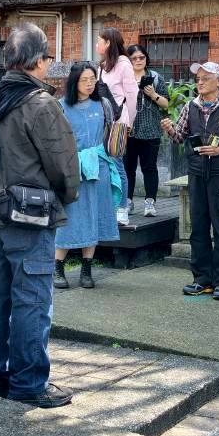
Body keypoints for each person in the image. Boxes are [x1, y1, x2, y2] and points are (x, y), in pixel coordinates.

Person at [0, 23, 80, 407]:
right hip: (29, 216)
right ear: (37, 61)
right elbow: (63, 166)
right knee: (32, 300)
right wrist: (66, 196)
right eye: (48, 58)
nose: (49, 65)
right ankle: (29, 383)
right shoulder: (40, 103)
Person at [160, 61, 219, 301]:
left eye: (205, 78)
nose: (199, 83)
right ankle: (202, 280)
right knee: (198, 227)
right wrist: (169, 129)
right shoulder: (190, 106)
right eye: (198, 79)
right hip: (197, 173)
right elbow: (180, 137)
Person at [53, 63, 121, 290]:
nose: (90, 84)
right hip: (71, 168)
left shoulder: (103, 104)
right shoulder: (60, 106)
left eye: (93, 79)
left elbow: (110, 133)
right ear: (74, 82)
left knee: (94, 215)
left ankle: (87, 269)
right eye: (85, 80)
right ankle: (57, 267)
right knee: (69, 217)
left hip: (98, 167)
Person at [96, 27, 137, 225]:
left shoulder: (123, 64)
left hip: (119, 121)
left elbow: (132, 95)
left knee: (117, 164)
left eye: (99, 41)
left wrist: (130, 122)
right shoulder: (101, 66)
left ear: (108, 43)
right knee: (103, 163)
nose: (97, 44)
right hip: (101, 120)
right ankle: (108, 207)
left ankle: (122, 208)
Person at [126, 43, 169, 217]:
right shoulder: (125, 77)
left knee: (149, 168)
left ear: (146, 58)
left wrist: (152, 94)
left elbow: (166, 103)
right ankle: (127, 202)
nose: (138, 60)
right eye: (134, 58)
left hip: (150, 129)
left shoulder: (155, 77)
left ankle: (150, 202)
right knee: (127, 168)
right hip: (128, 129)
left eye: (141, 57)